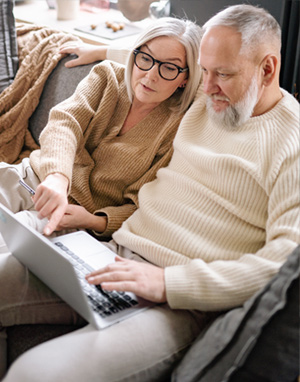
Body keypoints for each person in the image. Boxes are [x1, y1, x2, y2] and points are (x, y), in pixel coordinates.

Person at [1, 4, 299, 382]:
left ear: (268, 69)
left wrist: (168, 284)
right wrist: (103, 50)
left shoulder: (292, 145)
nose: (206, 88)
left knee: (36, 373)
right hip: (107, 254)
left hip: (174, 299)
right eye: (204, 72)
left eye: (221, 74)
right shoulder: (210, 98)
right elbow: (161, 58)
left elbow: (283, 267)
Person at [0, 17, 201, 240]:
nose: (150, 75)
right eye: (146, 58)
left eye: (170, 67)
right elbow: (64, 121)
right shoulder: (107, 77)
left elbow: (146, 204)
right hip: (38, 177)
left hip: (74, 215)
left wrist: (94, 221)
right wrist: (57, 177)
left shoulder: (179, 127)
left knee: (12, 239)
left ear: (186, 78)